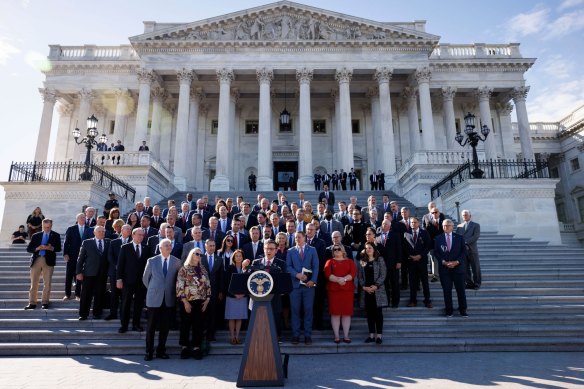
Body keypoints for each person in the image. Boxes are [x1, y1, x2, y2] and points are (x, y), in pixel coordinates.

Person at [143, 238, 181, 361]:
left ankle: (161, 350)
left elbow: (178, 280)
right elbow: (145, 278)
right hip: (154, 298)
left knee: (165, 327)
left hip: (168, 298)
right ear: (160, 248)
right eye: (166, 245)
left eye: (170, 245)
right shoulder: (152, 261)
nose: (169, 247)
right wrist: (154, 289)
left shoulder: (176, 262)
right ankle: (149, 352)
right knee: (151, 327)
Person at [177, 247, 211, 360]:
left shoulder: (203, 269)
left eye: (201, 255)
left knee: (198, 325)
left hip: (201, 302)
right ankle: (184, 348)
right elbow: (179, 286)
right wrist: (185, 302)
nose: (199, 256)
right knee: (185, 325)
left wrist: (207, 300)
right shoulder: (184, 269)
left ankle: (196, 347)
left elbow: (208, 285)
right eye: (197, 254)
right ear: (191, 254)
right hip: (187, 301)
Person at [286, 231, 319, 345]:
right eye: (295, 238)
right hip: (295, 286)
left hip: (308, 286)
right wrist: (296, 274)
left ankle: (307, 335)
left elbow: (316, 266)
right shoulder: (290, 251)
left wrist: (313, 280)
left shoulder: (312, 250)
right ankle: (295, 335)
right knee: (295, 311)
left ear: (304, 238)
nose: (297, 239)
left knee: (308, 310)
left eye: (299, 237)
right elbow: (288, 266)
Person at [116, 228, 149, 333]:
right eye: (139, 235)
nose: (141, 237)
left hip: (141, 282)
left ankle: (136, 325)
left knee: (139, 304)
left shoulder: (146, 248)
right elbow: (120, 265)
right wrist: (119, 279)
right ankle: (124, 326)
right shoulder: (125, 247)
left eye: (142, 235)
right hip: (127, 281)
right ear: (133, 235)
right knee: (125, 303)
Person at [25, 219, 61, 310]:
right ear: (42, 226)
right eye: (45, 227)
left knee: (47, 283)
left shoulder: (56, 235)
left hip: (48, 260)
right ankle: (32, 302)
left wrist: (51, 248)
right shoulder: (36, 235)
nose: (47, 229)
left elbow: (59, 248)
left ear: (51, 226)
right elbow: (29, 249)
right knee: (34, 282)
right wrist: (37, 248)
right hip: (36, 260)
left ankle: (45, 302)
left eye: (49, 227)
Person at [434, 219, 468, 317]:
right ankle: (449, 310)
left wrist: (456, 262)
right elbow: (436, 252)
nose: (446, 227)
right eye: (444, 225)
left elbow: (464, 252)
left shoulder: (460, 238)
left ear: (452, 226)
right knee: (446, 291)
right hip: (444, 269)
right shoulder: (438, 238)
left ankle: (463, 310)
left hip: (458, 269)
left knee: (461, 290)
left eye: (448, 225)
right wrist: (443, 262)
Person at [76, 226, 111, 320]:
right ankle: (83, 314)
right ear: (94, 233)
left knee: (100, 294)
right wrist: (79, 272)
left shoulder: (109, 242)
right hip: (89, 272)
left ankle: (97, 313)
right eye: (99, 231)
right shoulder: (87, 242)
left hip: (102, 273)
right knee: (86, 294)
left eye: (103, 231)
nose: (101, 233)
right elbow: (80, 259)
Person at [324, 244, 356, 343]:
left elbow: (353, 273)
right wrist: (338, 280)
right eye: (334, 249)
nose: (336, 251)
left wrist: (344, 279)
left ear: (343, 251)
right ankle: (337, 336)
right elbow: (327, 274)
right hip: (334, 291)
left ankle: (346, 336)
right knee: (335, 314)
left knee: (346, 314)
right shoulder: (329, 261)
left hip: (347, 291)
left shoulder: (350, 261)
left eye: (338, 249)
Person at [358, 241, 388, 344]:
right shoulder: (362, 261)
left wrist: (376, 286)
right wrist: (364, 287)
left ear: (374, 249)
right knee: (369, 314)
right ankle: (371, 335)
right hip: (366, 291)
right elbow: (360, 276)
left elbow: (383, 274)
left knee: (378, 314)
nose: (368, 250)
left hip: (377, 291)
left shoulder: (380, 259)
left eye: (370, 248)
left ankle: (379, 336)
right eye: (366, 248)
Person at [404, 217, 433, 309]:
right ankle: (413, 301)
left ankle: (427, 300)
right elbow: (404, 246)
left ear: (419, 223)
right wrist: (410, 256)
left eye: (415, 222)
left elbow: (428, 246)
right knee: (412, 282)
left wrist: (420, 255)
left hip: (422, 261)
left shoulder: (424, 233)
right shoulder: (406, 233)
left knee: (425, 282)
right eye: (411, 222)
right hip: (411, 261)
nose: (413, 224)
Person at [106, 224, 132, 321]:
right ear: (122, 230)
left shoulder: (132, 242)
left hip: (127, 273)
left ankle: (123, 314)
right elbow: (110, 256)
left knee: (125, 295)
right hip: (114, 272)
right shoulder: (114, 242)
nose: (129, 230)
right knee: (114, 294)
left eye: (130, 229)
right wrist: (117, 266)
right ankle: (113, 313)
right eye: (127, 229)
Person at [224, 249, 248, 345]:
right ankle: (232, 337)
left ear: (243, 257)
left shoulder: (246, 269)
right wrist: (234, 294)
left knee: (239, 317)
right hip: (231, 296)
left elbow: (248, 283)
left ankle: (237, 336)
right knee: (231, 317)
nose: (238, 257)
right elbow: (227, 283)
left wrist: (243, 294)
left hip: (242, 296)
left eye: (240, 256)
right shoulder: (229, 268)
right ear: (233, 257)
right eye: (236, 256)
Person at [377, 220, 402, 308]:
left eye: (386, 224)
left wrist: (399, 261)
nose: (384, 225)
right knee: (384, 284)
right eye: (383, 223)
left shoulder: (395, 235)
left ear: (390, 226)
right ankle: (386, 301)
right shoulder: (377, 236)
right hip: (381, 265)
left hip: (393, 264)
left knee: (394, 283)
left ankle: (395, 302)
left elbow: (399, 249)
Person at [202, 239, 224, 342]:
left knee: (213, 313)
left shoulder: (219, 259)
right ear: (205, 246)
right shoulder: (200, 258)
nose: (212, 247)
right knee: (203, 313)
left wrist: (220, 291)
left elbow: (221, 277)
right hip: (201, 291)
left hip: (214, 292)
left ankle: (211, 334)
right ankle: (203, 333)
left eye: (213, 246)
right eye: (210, 245)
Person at [62, 213, 87, 301]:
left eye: (84, 217)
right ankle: (67, 294)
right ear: (77, 219)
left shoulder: (89, 229)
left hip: (84, 256)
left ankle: (78, 294)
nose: (83, 219)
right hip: (72, 255)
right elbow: (66, 242)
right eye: (81, 217)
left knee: (80, 275)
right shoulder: (71, 229)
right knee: (69, 275)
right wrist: (65, 254)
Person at [456, 210, 481, 290]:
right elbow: (457, 237)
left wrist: (465, 242)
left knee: (475, 268)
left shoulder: (476, 225)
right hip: (463, 251)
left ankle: (477, 284)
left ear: (470, 216)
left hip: (472, 250)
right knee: (465, 268)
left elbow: (475, 236)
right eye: (463, 215)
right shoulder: (459, 226)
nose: (465, 216)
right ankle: (469, 283)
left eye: (466, 215)